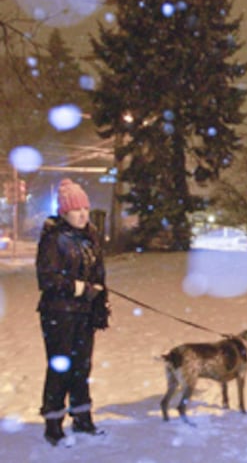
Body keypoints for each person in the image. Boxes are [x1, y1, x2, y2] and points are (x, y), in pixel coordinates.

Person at [35, 179, 110, 446]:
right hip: (59, 313)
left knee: (81, 367)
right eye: (76, 210)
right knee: (61, 367)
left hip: (83, 314)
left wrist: (101, 304)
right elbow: (48, 279)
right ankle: (53, 423)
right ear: (64, 213)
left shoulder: (90, 238)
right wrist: (81, 288)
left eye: (86, 209)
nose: (83, 215)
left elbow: (99, 276)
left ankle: (82, 418)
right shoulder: (54, 239)